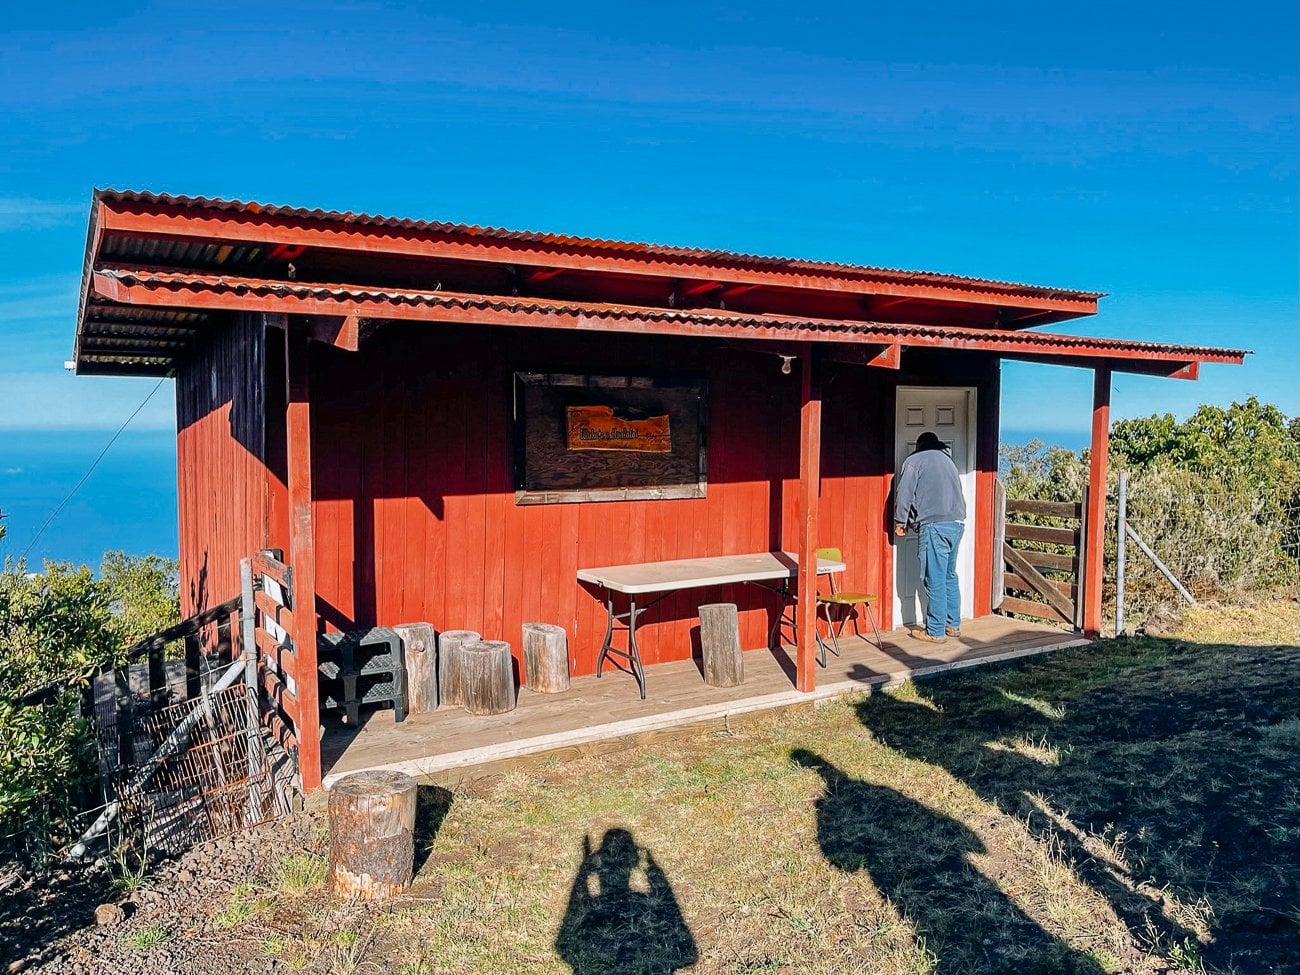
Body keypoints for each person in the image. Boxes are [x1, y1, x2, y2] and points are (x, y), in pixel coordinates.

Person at [893, 431, 966, 642]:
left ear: (918, 446)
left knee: (934, 577)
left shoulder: (915, 461)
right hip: (956, 524)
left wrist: (900, 522)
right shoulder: (948, 462)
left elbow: (905, 493)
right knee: (949, 575)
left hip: (934, 525)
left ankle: (935, 631)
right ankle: (953, 625)